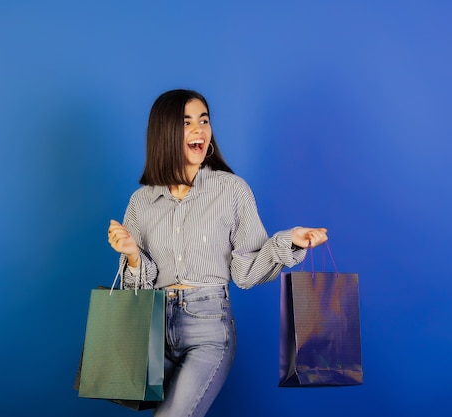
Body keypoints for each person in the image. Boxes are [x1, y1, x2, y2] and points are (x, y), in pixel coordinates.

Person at [107, 89, 328, 417]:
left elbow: (246, 272)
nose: (199, 129)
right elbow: (135, 291)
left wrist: (289, 242)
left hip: (208, 326)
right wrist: (132, 254)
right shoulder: (142, 202)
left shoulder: (231, 190)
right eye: (186, 123)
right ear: (164, 132)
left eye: (204, 120)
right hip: (152, 329)